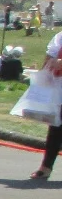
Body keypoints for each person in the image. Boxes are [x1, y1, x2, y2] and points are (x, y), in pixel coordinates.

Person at [28, 30, 62, 181]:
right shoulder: (60, 36)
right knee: (55, 127)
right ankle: (46, 167)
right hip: (59, 87)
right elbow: (51, 54)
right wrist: (44, 73)